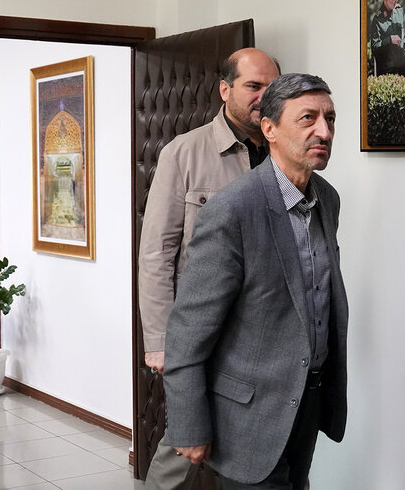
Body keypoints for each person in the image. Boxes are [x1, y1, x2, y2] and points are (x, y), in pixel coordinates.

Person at [162, 73, 348, 489]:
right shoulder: (233, 209)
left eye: (330, 119)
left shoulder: (327, 199)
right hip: (248, 414)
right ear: (270, 129)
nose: (324, 131)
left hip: (307, 402)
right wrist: (188, 423)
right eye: (308, 118)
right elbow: (188, 330)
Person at [140, 47, 281, 489]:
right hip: (201, 332)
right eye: (253, 86)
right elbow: (157, 252)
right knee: (183, 444)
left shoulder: (282, 152)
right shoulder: (184, 153)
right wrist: (159, 341)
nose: (263, 97)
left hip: (262, 335)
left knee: (255, 446)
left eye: (271, 87)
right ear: (225, 89)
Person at [368, 0, 405, 75]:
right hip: (387, 71)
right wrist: (389, 40)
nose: (397, 0)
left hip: (402, 68)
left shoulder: (399, 11)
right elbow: (374, 47)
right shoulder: (377, 20)